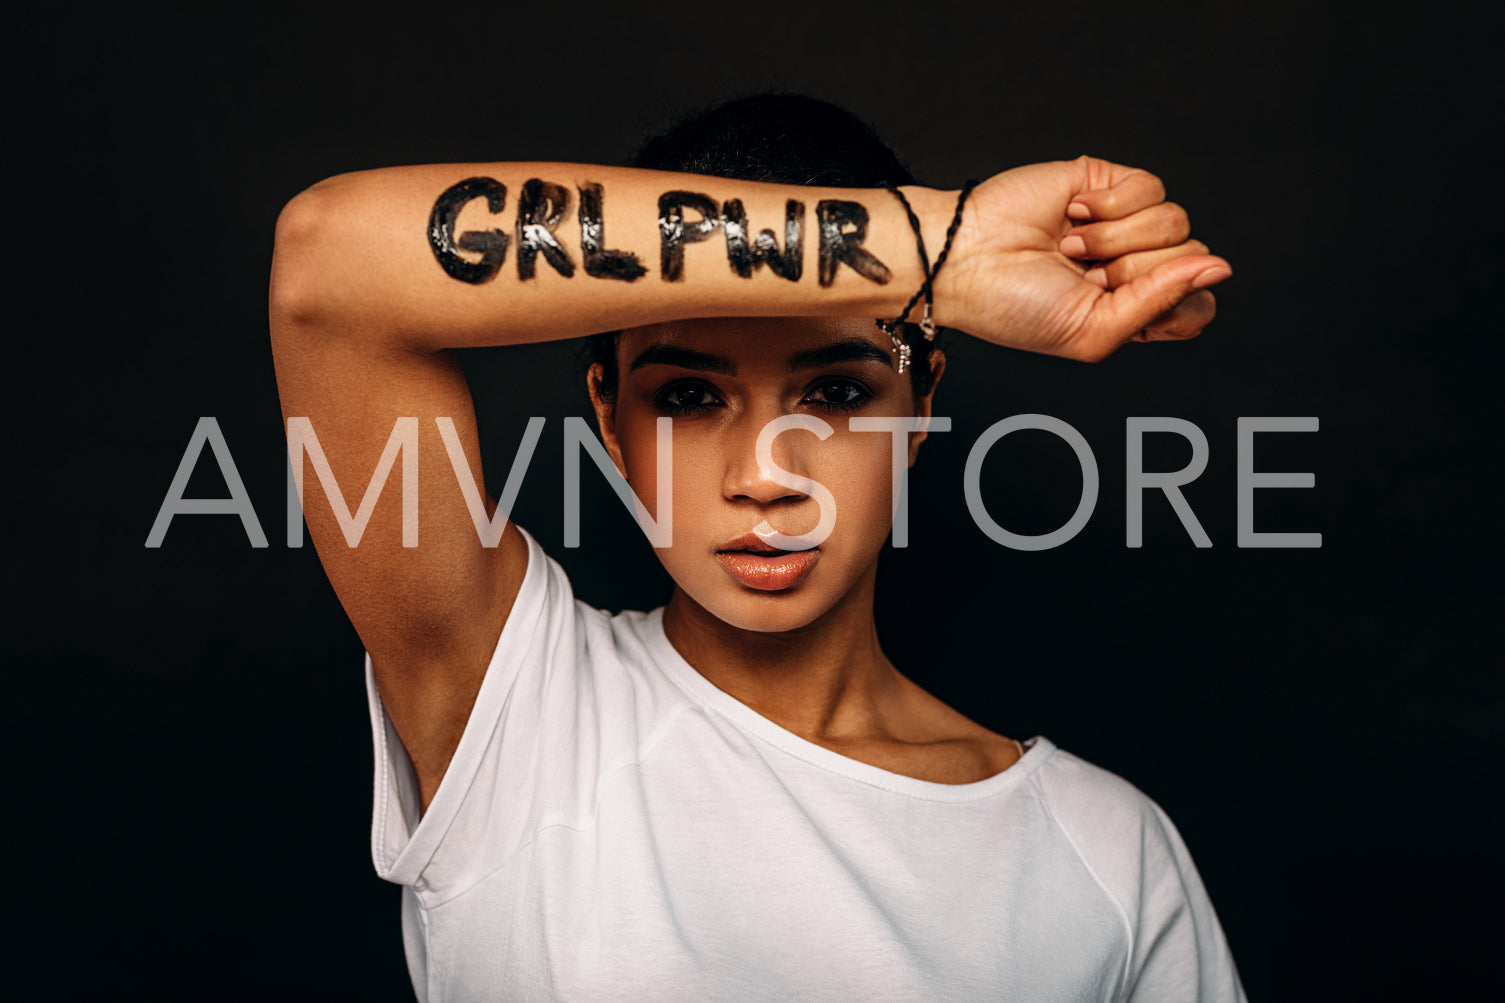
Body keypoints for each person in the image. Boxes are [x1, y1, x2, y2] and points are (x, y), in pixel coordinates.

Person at [270, 94, 1246, 1001]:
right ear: (608, 417)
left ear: (920, 404)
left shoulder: (1102, 856)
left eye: (836, 392)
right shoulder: (515, 713)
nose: (765, 473)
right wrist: (933, 251)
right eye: (688, 397)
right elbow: (328, 266)